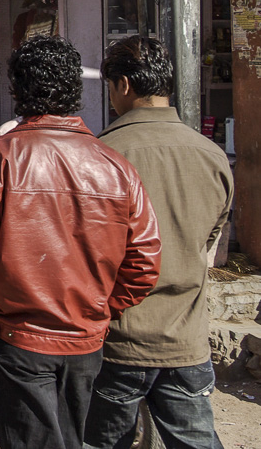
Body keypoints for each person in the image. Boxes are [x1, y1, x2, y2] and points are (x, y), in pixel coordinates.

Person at [0, 36, 161, 449]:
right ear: (75, 91)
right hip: (83, 338)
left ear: (18, 91)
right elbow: (144, 260)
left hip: (19, 337)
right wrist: (100, 310)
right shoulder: (115, 166)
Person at [84, 36, 234, 449]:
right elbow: (208, 250)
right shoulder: (212, 155)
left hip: (118, 344)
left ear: (124, 85)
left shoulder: (99, 155)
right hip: (185, 341)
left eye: (111, 87)